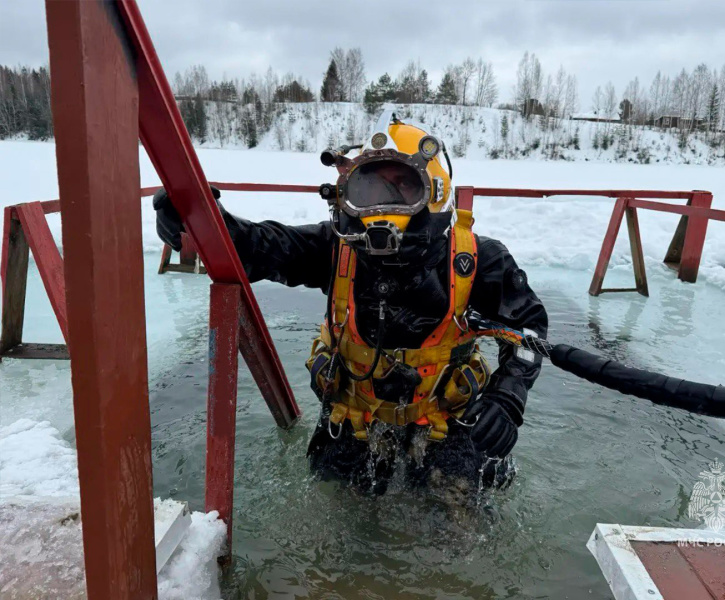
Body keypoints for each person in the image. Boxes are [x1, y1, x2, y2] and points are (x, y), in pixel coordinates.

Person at [154, 111, 548, 496]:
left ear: (434, 193)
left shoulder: (477, 261)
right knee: (335, 500)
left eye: (401, 189)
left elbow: (528, 327)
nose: (383, 208)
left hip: (445, 414)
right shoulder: (338, 249)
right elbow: (266, 248)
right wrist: (203, 225)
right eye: (370, 190)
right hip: (356, 414)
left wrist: (507, 396)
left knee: (458, 509)